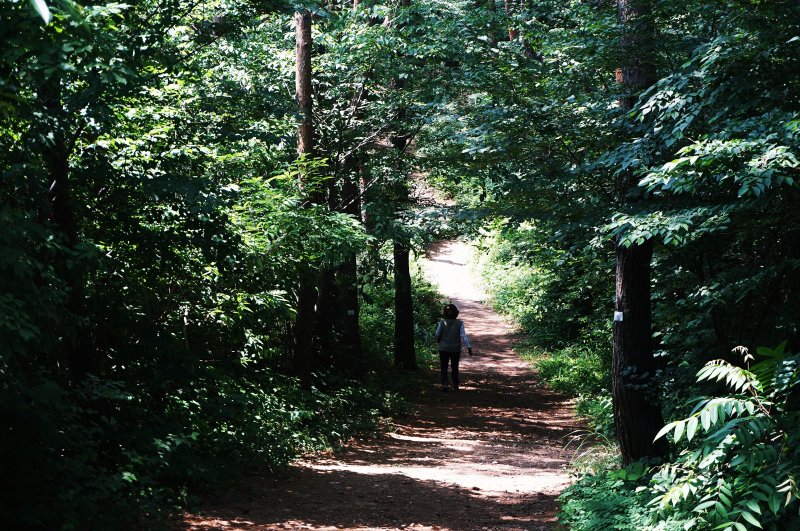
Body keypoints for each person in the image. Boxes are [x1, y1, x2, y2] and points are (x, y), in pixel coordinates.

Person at [435, 303, 472, 391]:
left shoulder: (441, 322)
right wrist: (469, 347)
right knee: (454, 366)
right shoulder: (460, 323)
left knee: (444, 366)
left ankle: (444, 384)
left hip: (443, 348)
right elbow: (463, 336)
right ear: (456, 313)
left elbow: (437, 334)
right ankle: (455, 384)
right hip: (455, 348)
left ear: (445, 313)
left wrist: (439, 339)